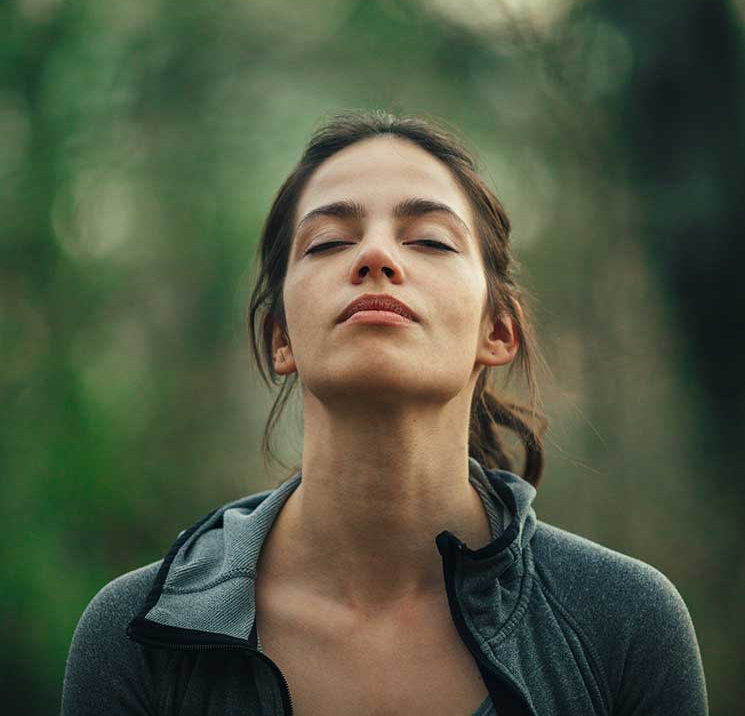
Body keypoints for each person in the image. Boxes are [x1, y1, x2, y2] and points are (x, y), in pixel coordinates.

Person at [61, 110, 709, 716]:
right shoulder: (136, 635)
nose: (376, 257)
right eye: (327, 242)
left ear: (498, 330)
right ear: (279, 338)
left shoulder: (624, 623)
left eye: (429, 239)